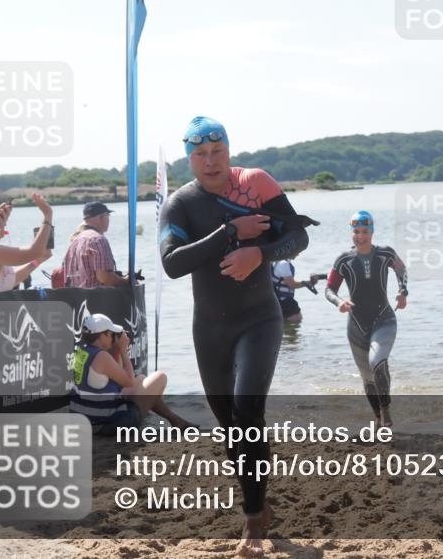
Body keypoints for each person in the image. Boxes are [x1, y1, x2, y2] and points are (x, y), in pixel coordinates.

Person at [159, 117, 314, 557]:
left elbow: (297, 236)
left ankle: (251, 522)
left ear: (229, 151)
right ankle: (260, 503)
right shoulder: (180, 204)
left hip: (259, 319)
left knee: (248, 409)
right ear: (188, 158)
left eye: (218, 152)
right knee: (234, 429)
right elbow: (172, 263)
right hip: (210, 328)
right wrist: (229, 233)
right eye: (200, 155)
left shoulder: (257, 184)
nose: (210, 162)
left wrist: (257, 254)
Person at [325, 211, 407, 430]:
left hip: (384, 319)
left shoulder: (385, 254)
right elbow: (329, 289)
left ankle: (386, 411)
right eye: (356, 232)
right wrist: (339, 302)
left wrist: (403, 292)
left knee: (377, 361)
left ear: (372, 232)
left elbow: (401, 269)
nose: (360, 236)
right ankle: (378, 418)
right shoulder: (344, 260)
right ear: (352, 233)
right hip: (356, 326)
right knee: (367, 377)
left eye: (365, 232)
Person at [70, 313, 190, 433]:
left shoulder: (81, 349)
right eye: (111, 334)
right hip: (106, 424)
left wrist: (117, 350)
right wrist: (123, 350)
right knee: (160, 377)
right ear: (102, 335)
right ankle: (175, 421)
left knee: (142, 380)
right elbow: (128, 382)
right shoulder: (101, 356)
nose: (113, 338)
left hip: (85, 417)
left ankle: (175, 420)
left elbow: (119, 380)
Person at [0, 196, 53, 294]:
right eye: (5, 223)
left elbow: (9, 281)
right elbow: (35, 251)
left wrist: (37, 261)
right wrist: (48, 215)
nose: (5, 229)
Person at [62, 202, 132, 288]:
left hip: (76, 299)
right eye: (108, 216)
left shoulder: (74, 241)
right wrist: (126, 281)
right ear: (101, 217)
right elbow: (104, 277)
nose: (109, 220)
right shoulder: (97, 239)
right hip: (97, 298)